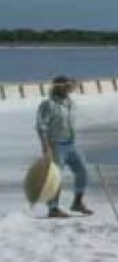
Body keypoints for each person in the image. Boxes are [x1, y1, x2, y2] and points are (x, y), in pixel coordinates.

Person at [35, 76, 92, 219]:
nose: (68, 88)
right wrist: (46, 146)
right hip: (56, 145)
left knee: (83, 171)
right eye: (64, 86)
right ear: (56, 87)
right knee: (55, 177)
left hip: (71, 144)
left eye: (69, 86)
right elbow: (41, 127)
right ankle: (53, 209)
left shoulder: (70, 103)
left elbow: (76, 85)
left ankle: (77, 203)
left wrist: (74, 83)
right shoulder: (47, 105)